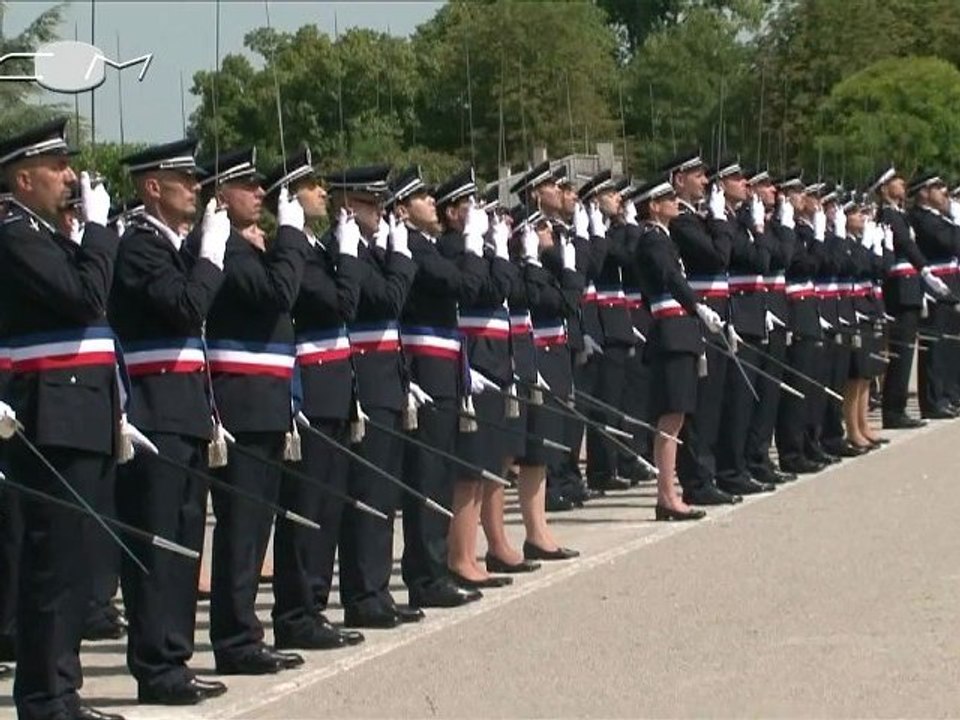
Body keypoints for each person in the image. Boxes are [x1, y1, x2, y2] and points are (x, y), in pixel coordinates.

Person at [0, 117, 125, 720]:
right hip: (51, 413)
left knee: (72, 563)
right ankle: (45, 699)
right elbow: (84, 298)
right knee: (52, 566)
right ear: (23, 179)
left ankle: (60, 691)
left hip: (79, 410)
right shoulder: (14, 232)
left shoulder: (44, 233)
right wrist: (98, 232)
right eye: (57, 167)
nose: (70, 176)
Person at [110, 138, 230, 704]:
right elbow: (186, 307)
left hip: (183, 410)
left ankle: (175, 659)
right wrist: (210, 256)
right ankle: (155, 666)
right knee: (158, 544)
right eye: (184, 179)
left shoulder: (173, 247)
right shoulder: (140, 247)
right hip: (154, 412)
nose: (197, 188)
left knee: (185, 543)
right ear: (152, 186)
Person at [198, 147, 310, 675]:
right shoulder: (230, 252)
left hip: (263, 401)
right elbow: (279, 293)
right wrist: (291, 237)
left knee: (255, 525)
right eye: (248, 185)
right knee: (242, 528)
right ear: (220, 195)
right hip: (242, 403)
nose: (261, 192)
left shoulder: (247, 248)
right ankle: (235, 638)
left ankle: (244, 631)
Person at [263, 147, 368, 649]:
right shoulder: (293, 252)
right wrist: (348, 254)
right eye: (311, 185)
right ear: (289, 197)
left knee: (327, 503)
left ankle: (314, 606)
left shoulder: (310, 248)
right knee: (306, 506)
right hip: (310, 386)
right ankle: (295, 611)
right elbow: (342, 302)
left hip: (334, 387)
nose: (323, 192)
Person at [327, 165, 422, 629]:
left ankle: (377, 589)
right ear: (348, 205)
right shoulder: (346, 251)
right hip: (365, 379)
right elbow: (388, 300)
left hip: (385, 378)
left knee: (382, 493)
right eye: (370, 203)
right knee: (367, 493)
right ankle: (363, 594)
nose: (380, 211)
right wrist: (401, 257)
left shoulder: (368, 250)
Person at [394, 165, 486, 607]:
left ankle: (433, 569)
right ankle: (426, 576)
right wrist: (471, 243)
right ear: (403, 209)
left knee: (439, 474)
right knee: (428, 476)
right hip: (426, 368)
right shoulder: (413, 247)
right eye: (422, 198)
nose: (432, 202)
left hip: (444, 365)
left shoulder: (425, 246)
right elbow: (466, 286)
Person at [436, 168, 516, 585]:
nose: (476, 212)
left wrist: (498, 249)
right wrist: (483, 250)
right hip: (473, 355)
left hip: (495, 356)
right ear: (451, 213)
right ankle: (460, 555)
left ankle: (478, 551)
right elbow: (482, 291)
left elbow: (504, 285)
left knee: (486, 460)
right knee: (469, 465)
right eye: (468, 204)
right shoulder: (452, 248)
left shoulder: (477, 248)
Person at [630, 176, 725, 521]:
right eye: (667, 197)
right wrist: (696, 305)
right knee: (670, 419)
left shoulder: (662, 239)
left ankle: (669, 494)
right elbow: (670, 277)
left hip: (679, 331)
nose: (674, 201)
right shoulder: (653, 240)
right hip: (671, 332)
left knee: (677, 416)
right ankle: (667, 496)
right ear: (653, 207)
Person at [663, 151, 740, 506]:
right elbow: (718, 256)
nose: (706, 182)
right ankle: (697, 477)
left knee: (718, 399)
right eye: (697, 175)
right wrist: (722, 220)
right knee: (703, 403)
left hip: (719, 311)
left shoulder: (699, 218)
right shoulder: (680, 221)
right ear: (679, 179)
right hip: (699, 315)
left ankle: (717, 471)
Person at [711, 157, 776, 496]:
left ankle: (747, 463)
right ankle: (731, 468)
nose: (745, 185)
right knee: (736, 399)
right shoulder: (724, 221)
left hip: (752, 310)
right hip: (737, 313)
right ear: (720, 185)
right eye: (737, 179)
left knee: (749, 397)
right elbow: (758, 259)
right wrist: (760, 231)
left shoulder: (738, 221)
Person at [742, 167, 797, 484]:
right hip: (752, 307)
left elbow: (783, 256)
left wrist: (779, 228)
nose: (773, 191)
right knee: (754, 392)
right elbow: (769, 260)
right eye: (764, 186)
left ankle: (760, 455)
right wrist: (763, 231)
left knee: (770, 388)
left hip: (772, 308)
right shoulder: (747, 221)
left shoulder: (774, 223)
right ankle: (751, 458)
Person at [874, 166, 928, 429]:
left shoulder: (900, 214)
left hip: (910, 289)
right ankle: (893, 410)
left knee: (906, 352)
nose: (902, 183)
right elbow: (906, 245)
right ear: (885, 189)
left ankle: (898, 407)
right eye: (896, 181)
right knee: (900, 352)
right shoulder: (888, 216)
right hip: (899, 290)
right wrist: (925, 269)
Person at [906, 172, 960, 419]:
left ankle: (950, 394)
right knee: (935, 346)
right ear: (924, 193)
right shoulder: (921, 218)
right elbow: (949, 243)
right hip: (935, 285)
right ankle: (934, 399)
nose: (944, 192)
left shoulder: (939, 217)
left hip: (950, 283)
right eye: (937, 187)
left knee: (950, 344)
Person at [844, 196, 888, 449]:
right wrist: (868, 249)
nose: (862, 217)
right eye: (857, 214)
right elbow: (857, 267)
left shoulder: (858, 242)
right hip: (854, 307)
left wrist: (880, 247)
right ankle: (853, 427)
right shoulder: (845, 243)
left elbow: (882, 269)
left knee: (866, 373)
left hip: (868, 307)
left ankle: (863, 424)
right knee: (856, 373)